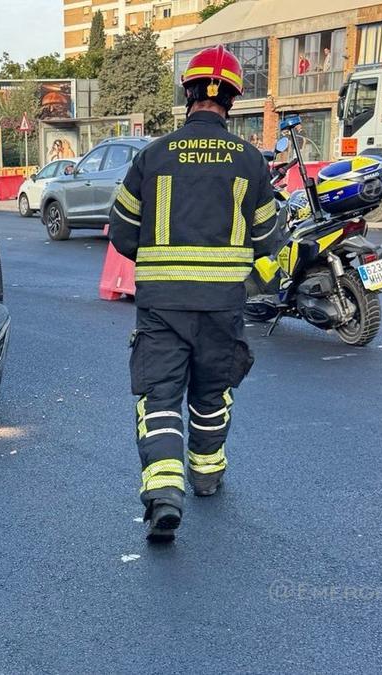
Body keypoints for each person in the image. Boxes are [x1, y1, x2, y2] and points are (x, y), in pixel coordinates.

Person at [108, 45, 280, 543]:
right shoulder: (250, 162)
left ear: (188, 92)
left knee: (160, 399)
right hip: (223, 307)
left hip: (162, 307)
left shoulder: (153, 156)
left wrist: (159, 263)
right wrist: (249, 281)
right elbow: (270, 240)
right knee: (210, 394)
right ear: (231, 97)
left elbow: (120, 231)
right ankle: (206, 476)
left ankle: (164, 496)